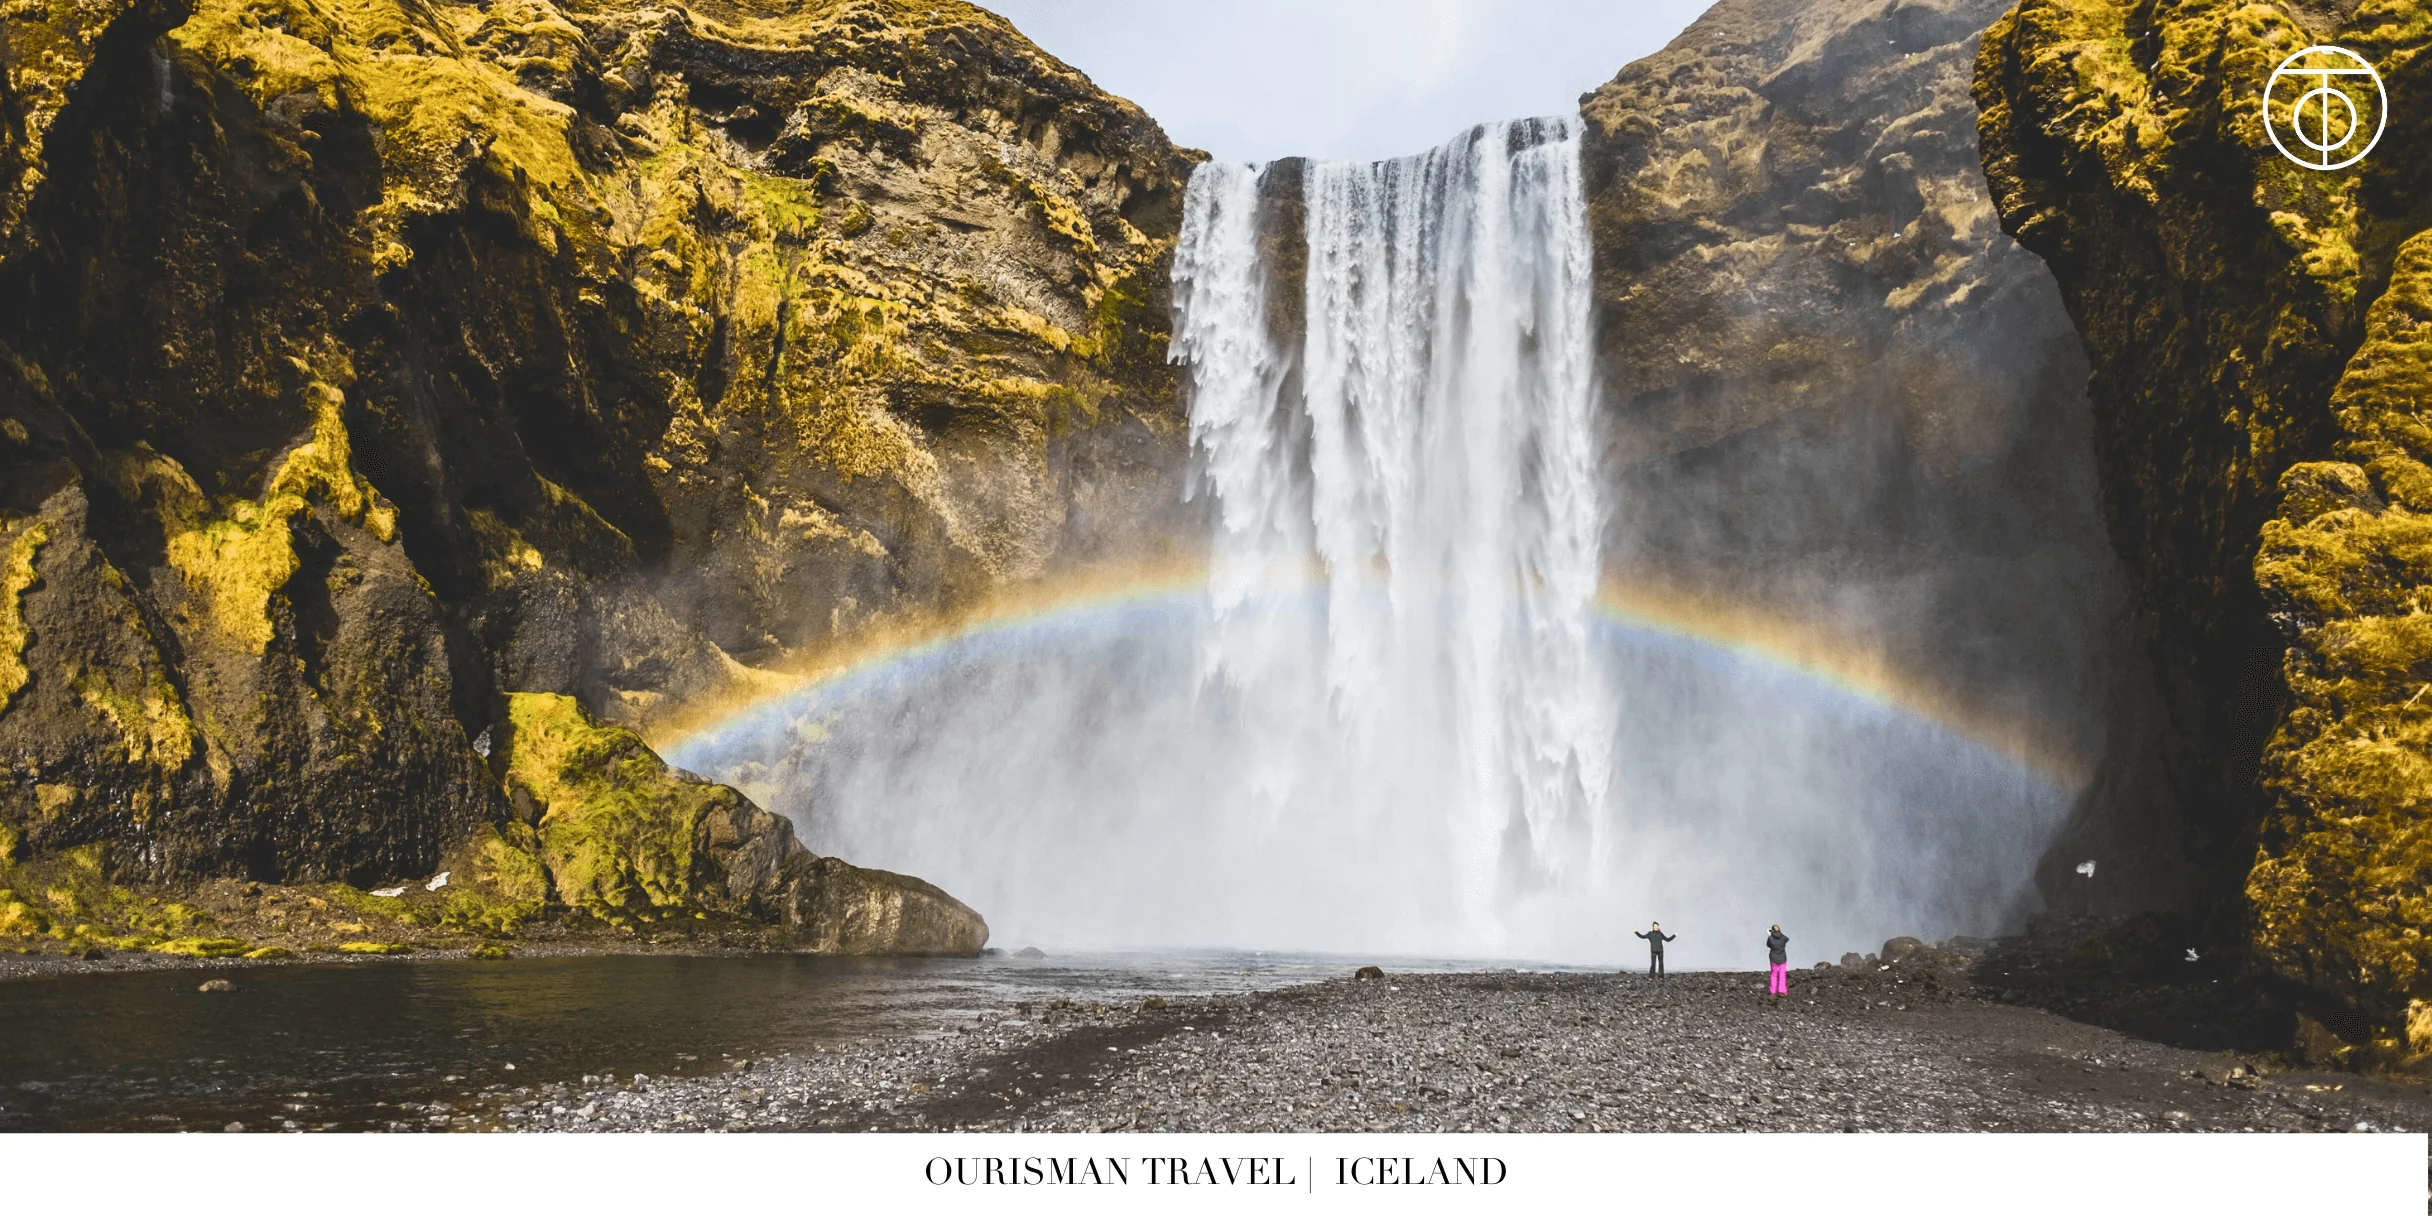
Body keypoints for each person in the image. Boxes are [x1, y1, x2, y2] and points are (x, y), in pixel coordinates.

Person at [1765, 924, 1790, 997]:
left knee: (1774, 974)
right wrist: (1780, 933)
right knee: (1782, 974)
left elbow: (1768, 945)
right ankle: (1782, 990)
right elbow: (1787, 938)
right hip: (1782, 958)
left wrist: (1771, 934)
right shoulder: (1783, 938)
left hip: (1773, 958)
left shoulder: (1770, 938)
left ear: (1772, 930)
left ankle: (1773, 990)